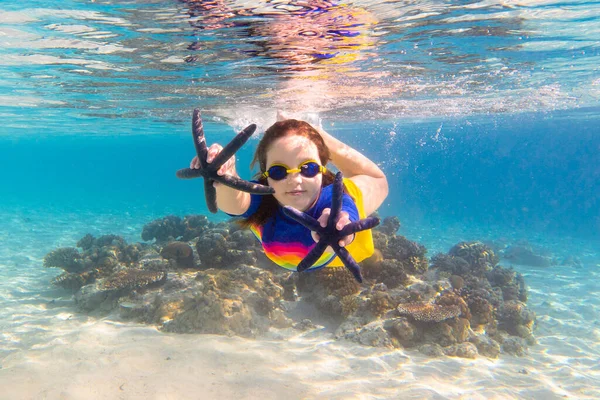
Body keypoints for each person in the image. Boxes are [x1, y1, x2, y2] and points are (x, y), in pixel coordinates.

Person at [190, 113, 388, 271]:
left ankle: (316, 135)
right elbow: (234, 201)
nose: (295, 180)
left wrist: (341, 224)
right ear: (265, 174)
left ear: (322, 166)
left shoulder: (335, 197)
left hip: (343, 238)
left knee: (378, 181)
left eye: (308, 168)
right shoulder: (264, 196)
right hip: (315, 254)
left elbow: (346, 210)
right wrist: (224, 174)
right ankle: (309, 138)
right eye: (278, 171)